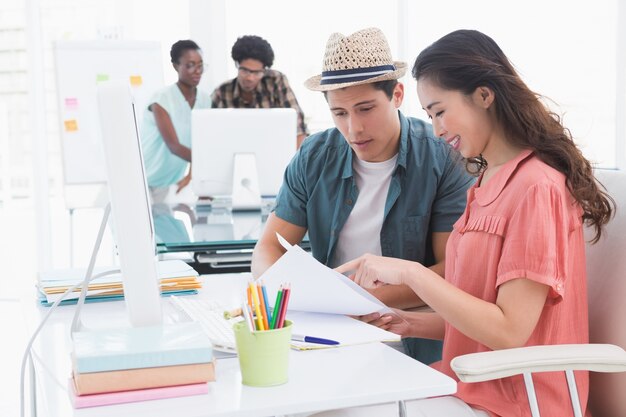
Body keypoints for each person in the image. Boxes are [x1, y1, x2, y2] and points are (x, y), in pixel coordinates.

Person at [322, 29, 615, 417]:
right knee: (333, 399)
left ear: (484, 95)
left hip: (517, 400)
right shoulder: (485, 184)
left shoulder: (536, 187)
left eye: (441, 111)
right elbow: (477, 318)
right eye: (429, 116)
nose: (438, 130)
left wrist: (411, 273)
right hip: (467, 384)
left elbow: (509, 331)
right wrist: (407, 323)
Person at [251, 27, 474, 365]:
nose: (353, 128)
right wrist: (280, 296)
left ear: (397, 95)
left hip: (412, 337)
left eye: (366, 108)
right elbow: (268, 248)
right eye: (339, 113)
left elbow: (450, 269)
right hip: (330, 333)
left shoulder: (441, 156)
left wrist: (362, 300)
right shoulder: (313, 156)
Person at [140, 39, 211, 202]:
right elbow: (174, 146)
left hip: (170, 183)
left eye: (200, 65)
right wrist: (210, 161)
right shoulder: (161, 99)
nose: (197, 71)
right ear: (175, 66)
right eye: (190, 65)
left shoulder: (205, 100)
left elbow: (200, 143)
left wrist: (192, 174)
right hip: (144, 180)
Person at [211, 35, 309, 147]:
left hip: (276, 150)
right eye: (244, 70)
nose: (250, 78)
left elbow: (298, 127)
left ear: (264, 70)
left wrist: (295, 162)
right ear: (237, 64)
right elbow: (212, 135)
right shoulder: (222, 92)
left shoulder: (276, 81)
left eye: (257, 73)